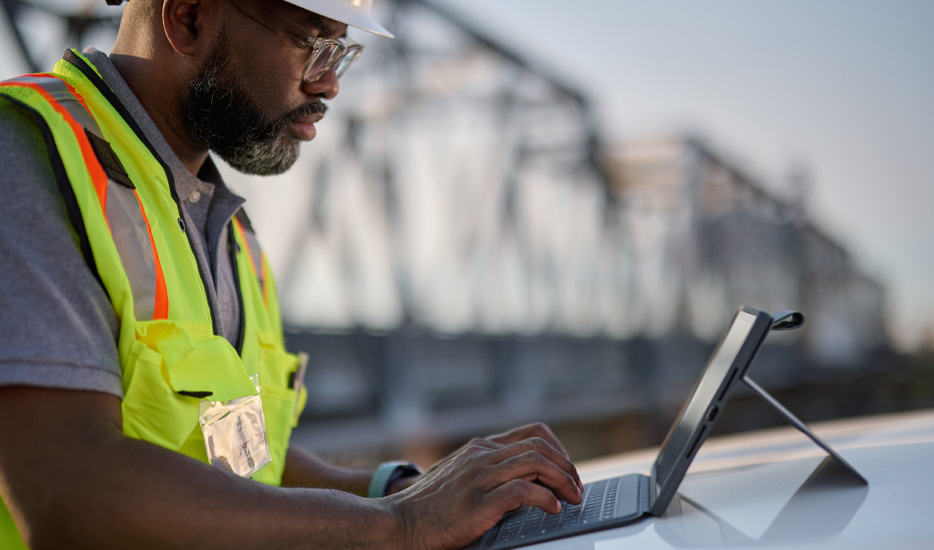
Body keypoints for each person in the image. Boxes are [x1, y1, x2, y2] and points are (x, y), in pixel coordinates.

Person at [0, 0, 583, 548]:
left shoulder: (229, 234)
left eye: (341, 54)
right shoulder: (27, 153)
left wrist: (401, 492)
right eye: (311, 44)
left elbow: (246, 465)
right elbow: (68, 494)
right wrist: (397, 527)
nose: (329, 84)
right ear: (189, 17)